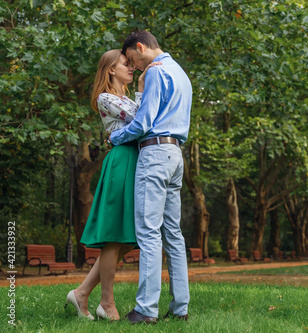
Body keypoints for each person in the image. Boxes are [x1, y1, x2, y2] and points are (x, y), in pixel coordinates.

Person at [65, 49, 158, 321]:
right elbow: (143, 120)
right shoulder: (106, 98)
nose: (132, 68)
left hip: (135, 161)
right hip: (121, 163)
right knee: (117, 236)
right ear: (110, 70)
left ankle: (81, 293)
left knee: (130, 239)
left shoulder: (125, 98)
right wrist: (142, 88)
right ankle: (106, 302)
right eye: (126, 64)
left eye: (132, 64)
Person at [108, 31, 192, 324]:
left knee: (148, 232)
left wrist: (115, 138)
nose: (135, 67)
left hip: (155, 155)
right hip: (175, 155)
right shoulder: (180, 73)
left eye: (133, 59)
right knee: (173, 234)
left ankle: (146, 309)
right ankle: (180, 307)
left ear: (140, 47)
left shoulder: (156, 72)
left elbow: (143, 123)